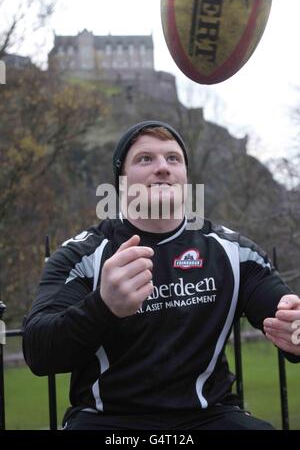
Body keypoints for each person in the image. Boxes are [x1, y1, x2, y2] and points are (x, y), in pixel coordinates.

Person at [23, 120, 300, 430]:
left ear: (185, 177)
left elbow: (287, 319)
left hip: (210, 416)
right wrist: (103, 307)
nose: (163, 168)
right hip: (108, 421)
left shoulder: (233, 251)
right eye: (145, 159)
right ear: (122, 182)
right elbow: (39, 352)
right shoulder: (82, 255)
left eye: (173, 158)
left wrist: (295, 331)